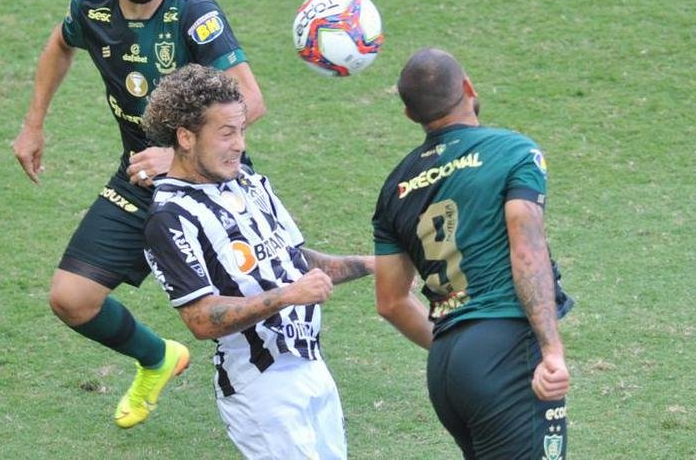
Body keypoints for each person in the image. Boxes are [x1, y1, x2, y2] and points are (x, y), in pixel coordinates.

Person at [11, 0, 266, 428]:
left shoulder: (194, 13)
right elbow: (60, 44)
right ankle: (158, 359)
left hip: (212, 185)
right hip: (142, 179)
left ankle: (276, 403)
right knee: (71, 299)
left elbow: (250, 101)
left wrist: (177, 156)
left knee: (256, 308)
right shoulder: (92, 10)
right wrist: (33, 124)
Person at [140, 64, 373, 459]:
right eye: (226, 132)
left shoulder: (250, 182)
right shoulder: (170, 217)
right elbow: (199, 317)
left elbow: (294, 259)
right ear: (185, 137)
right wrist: (287, 296)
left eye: (242, 130)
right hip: (260, 386)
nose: (239, 145)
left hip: (311, 364)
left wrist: (375, 264)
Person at [372, 48, 575, 459]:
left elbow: (391, 302)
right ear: (468, 87)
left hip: (447, 366)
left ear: (411, 115)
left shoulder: (395, 186)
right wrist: (551, 351)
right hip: (505, 349)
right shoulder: (513, 152)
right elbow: (527, 248)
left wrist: (462, 344)